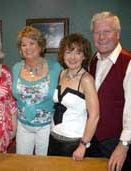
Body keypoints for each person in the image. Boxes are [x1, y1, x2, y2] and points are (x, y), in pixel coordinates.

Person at [88, 11, 131, 171]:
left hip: (115, 142)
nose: (101, 37)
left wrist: (124, 146)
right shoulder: (92, 60)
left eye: (106, 31)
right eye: (97, 32)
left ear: (118, 34)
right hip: (91, 139)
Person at [48, 33, 99, 161]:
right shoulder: (61, 74)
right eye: (69, 52)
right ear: (62, 55)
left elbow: (94, 116)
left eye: (78, 53)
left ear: (84, 56)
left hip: (74, 143)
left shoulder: (86, 79)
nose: (72, 57)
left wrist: (83, 145)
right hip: (53, 137)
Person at [12, 26, 62, 155]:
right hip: (22, 126)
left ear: (40, 45)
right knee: (22, 164)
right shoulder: (16, 68)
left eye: (32, 43)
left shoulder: (56, 69)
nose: (27, 47)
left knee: (44, 165)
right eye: (23, 44)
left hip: (46, 127)